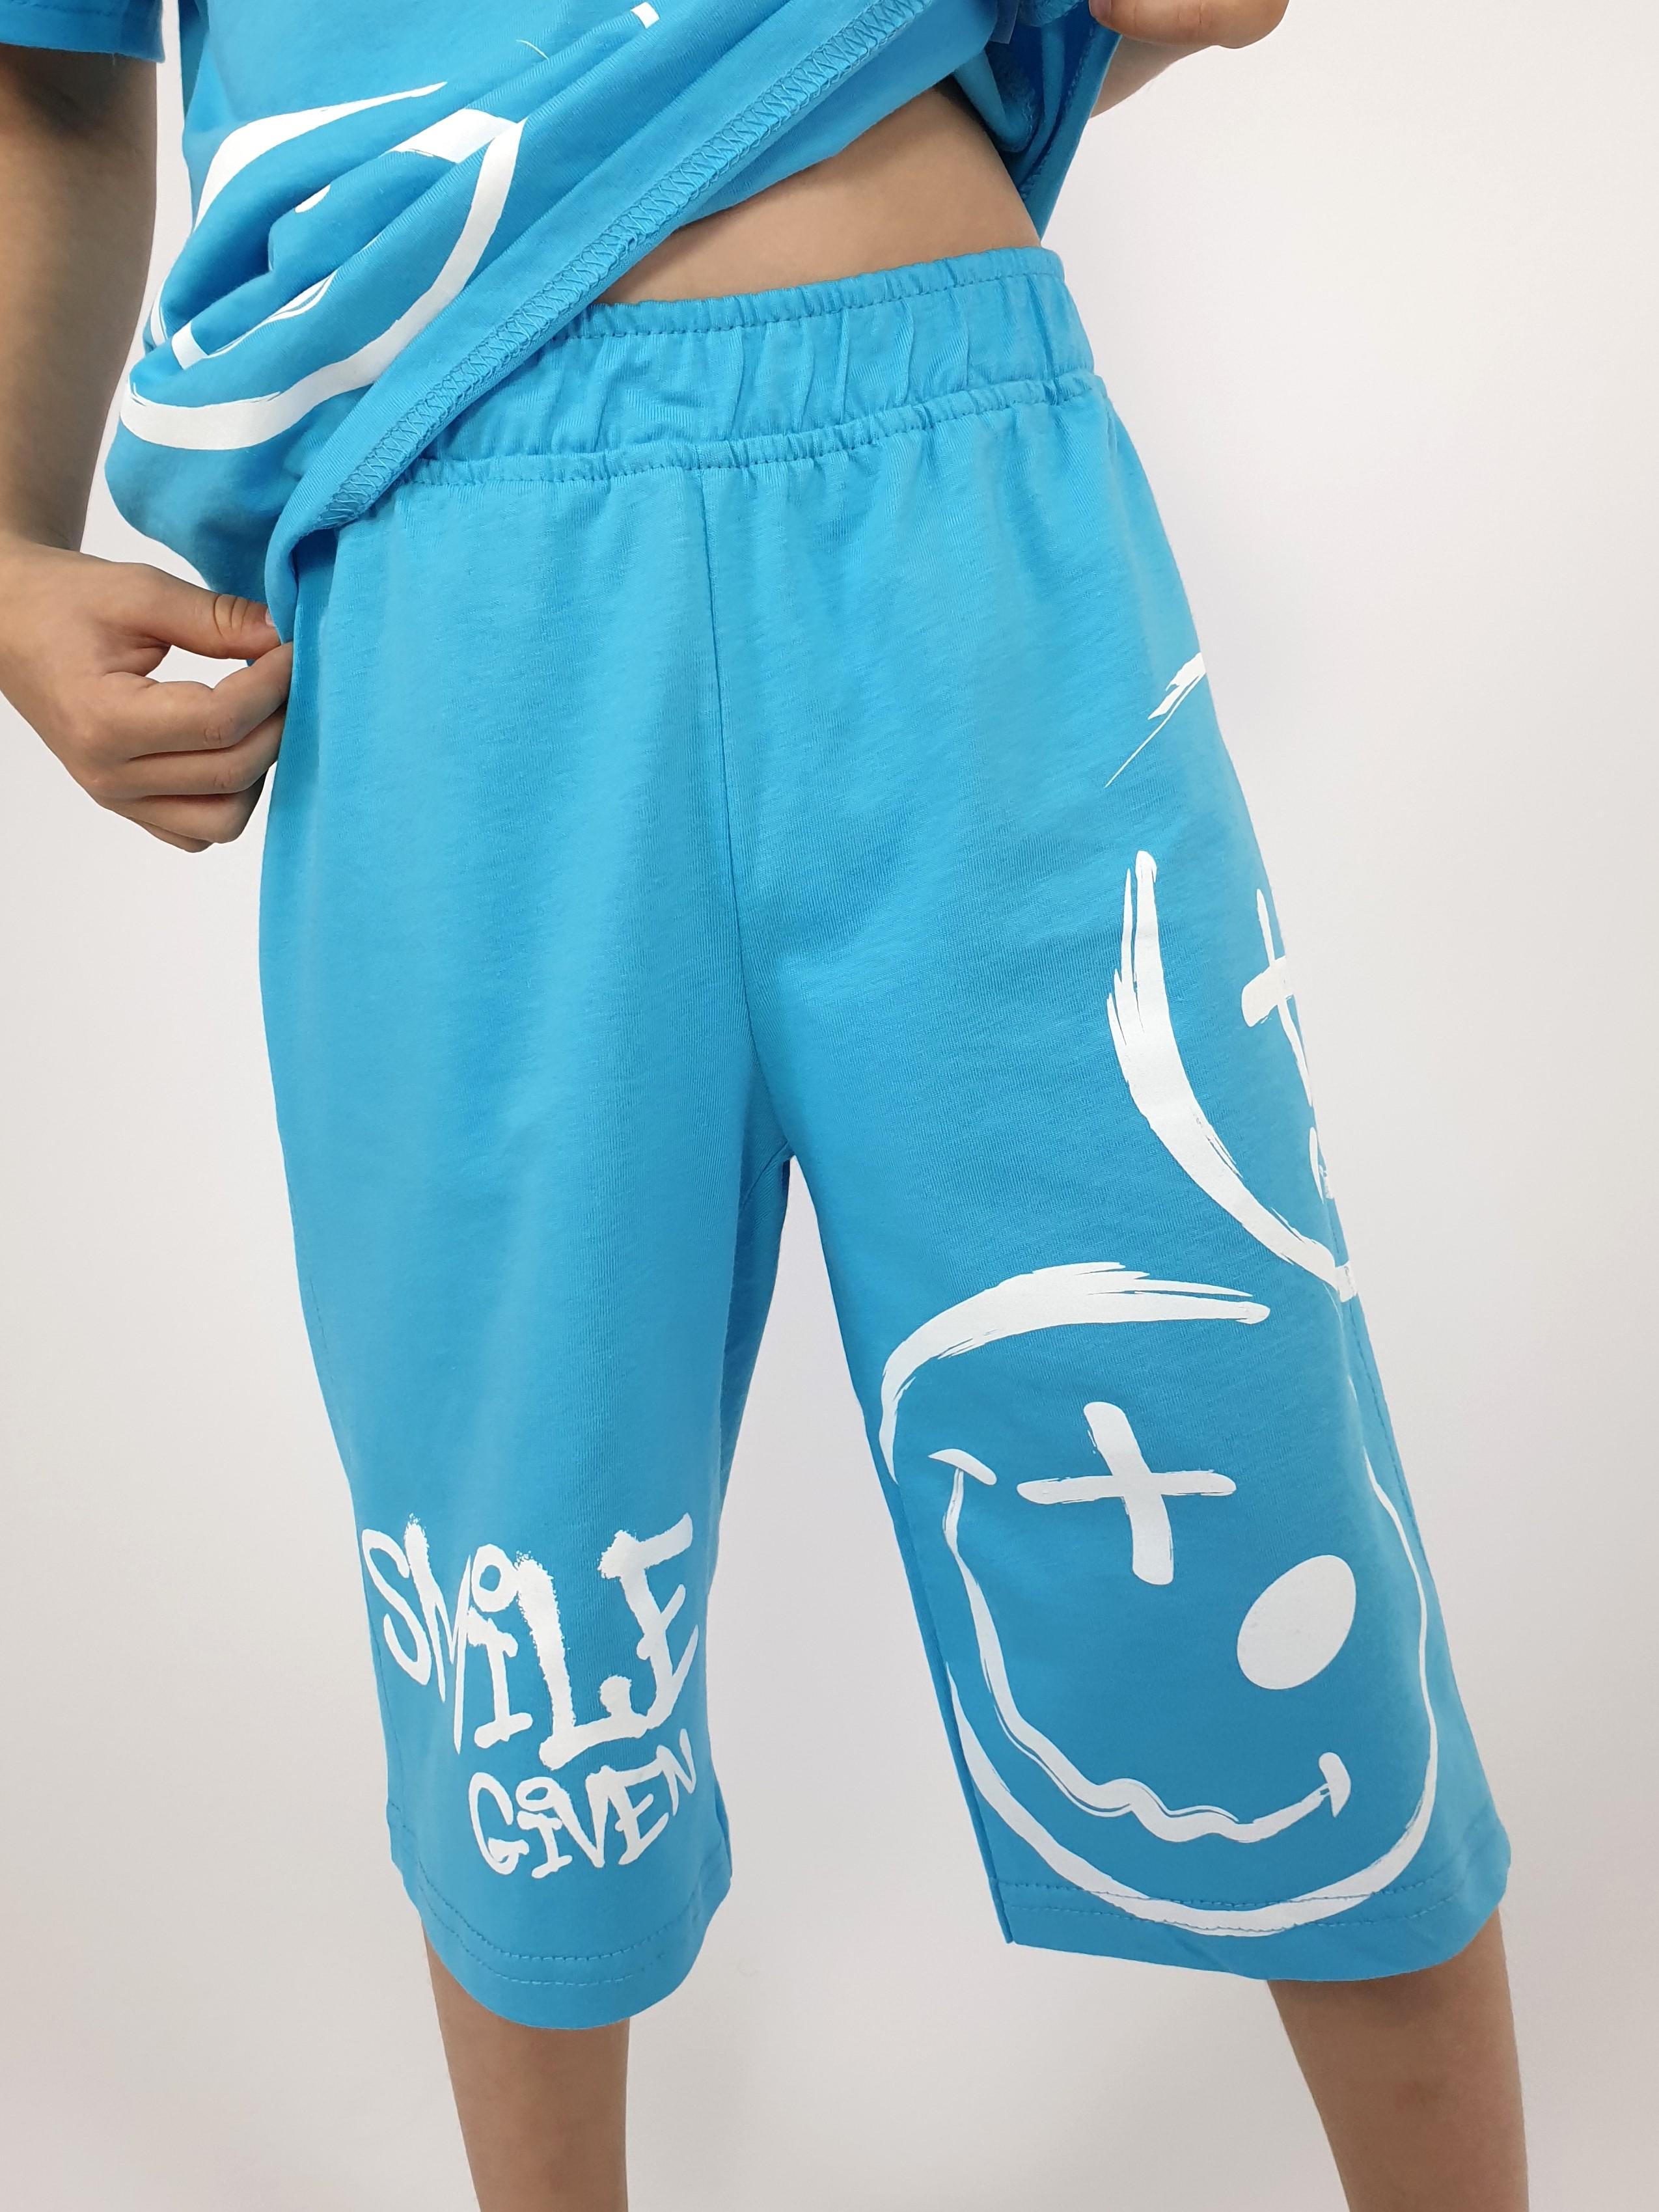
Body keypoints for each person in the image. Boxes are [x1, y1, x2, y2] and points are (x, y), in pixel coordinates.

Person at [0, 6, 1526, 2207]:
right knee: (518, 1562)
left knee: (1241, 1464)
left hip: (958, 487)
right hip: (441, 556)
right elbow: (47, 78)